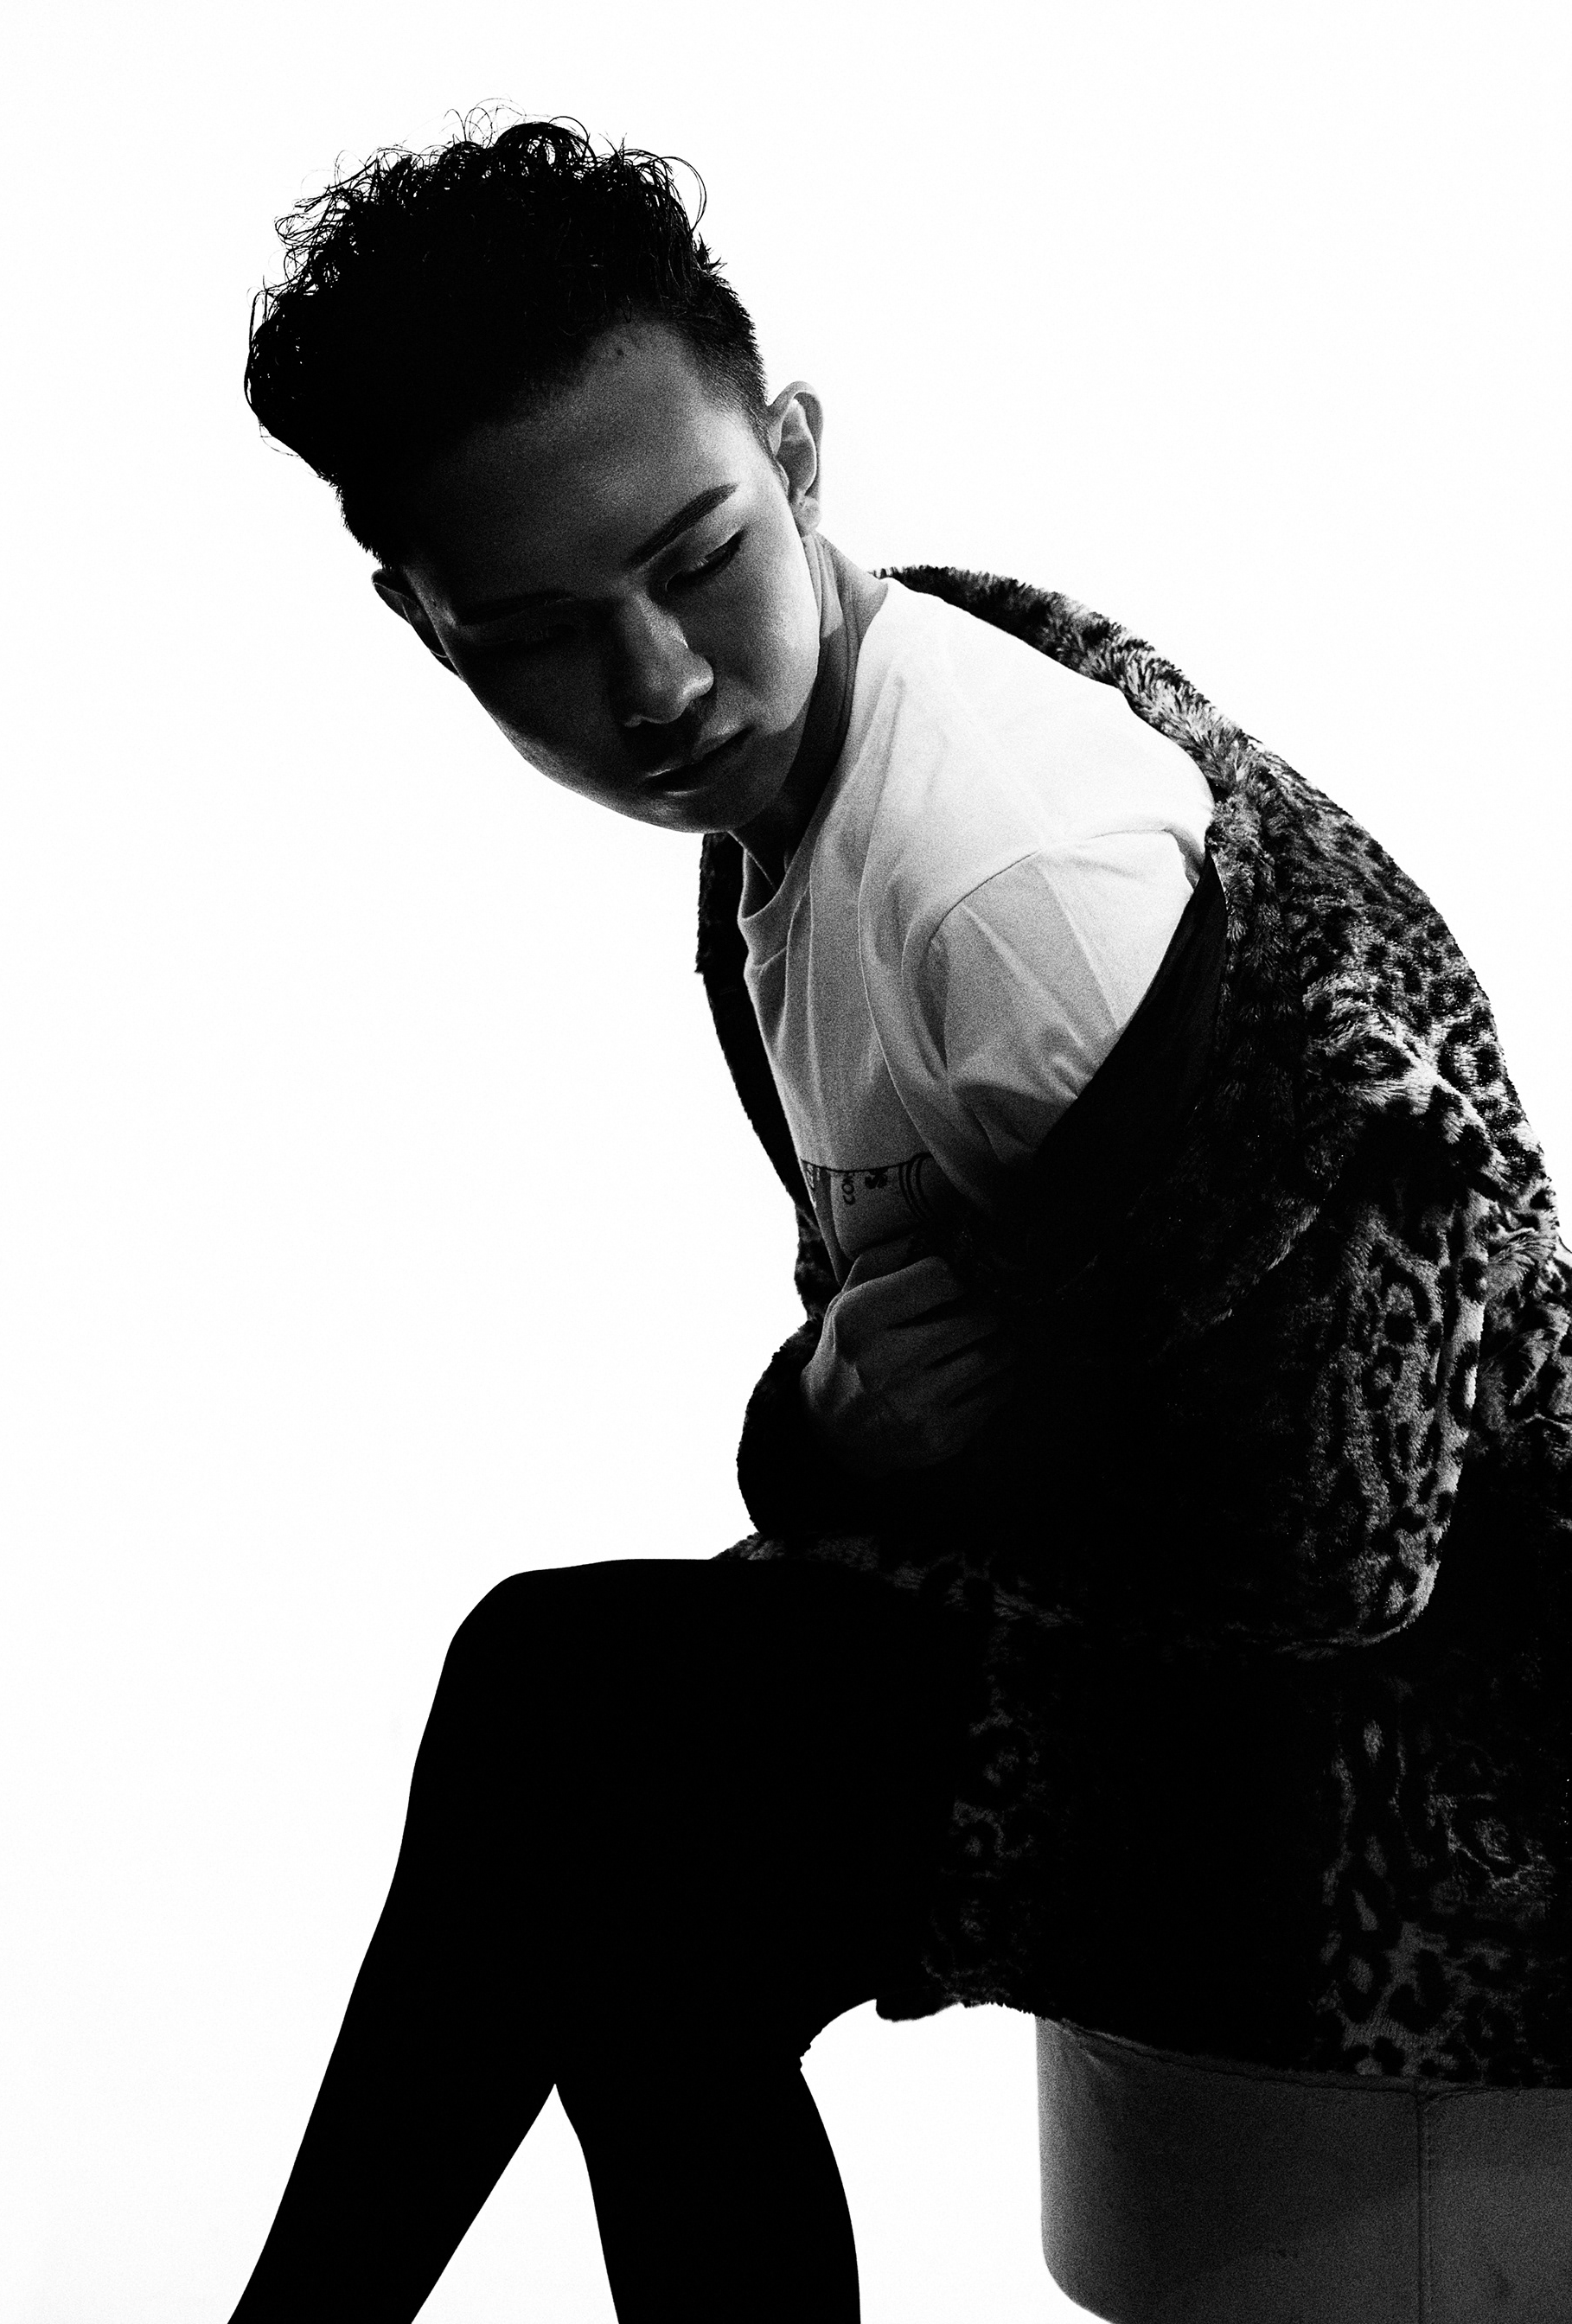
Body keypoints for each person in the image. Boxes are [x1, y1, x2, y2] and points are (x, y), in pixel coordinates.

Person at [231, 115, 1572, 2322]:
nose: (656, 682)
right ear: (423, 621)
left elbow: (1345, 1533)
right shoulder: (803, 776)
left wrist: (869, 1454)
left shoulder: (1005, 881)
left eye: (696, 561)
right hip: (1220, 1678)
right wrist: (846, 1426)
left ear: (794, 450)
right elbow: (971, 1363)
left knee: (564, 1724)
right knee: (612, 1869)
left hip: (1437, 1774)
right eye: (539, 634)